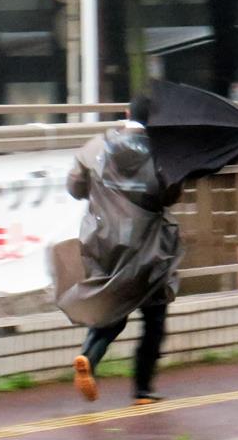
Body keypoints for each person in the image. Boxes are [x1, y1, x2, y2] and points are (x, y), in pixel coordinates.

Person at [58, 92, 183, 406]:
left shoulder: (98, 146)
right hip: (148, 247)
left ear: (127, 113)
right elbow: (170, 195)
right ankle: (143, 390)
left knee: (111, 307)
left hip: (104, 243)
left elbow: (75, 188)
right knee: (154, 317)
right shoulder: (163, 154)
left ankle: (89, 357)